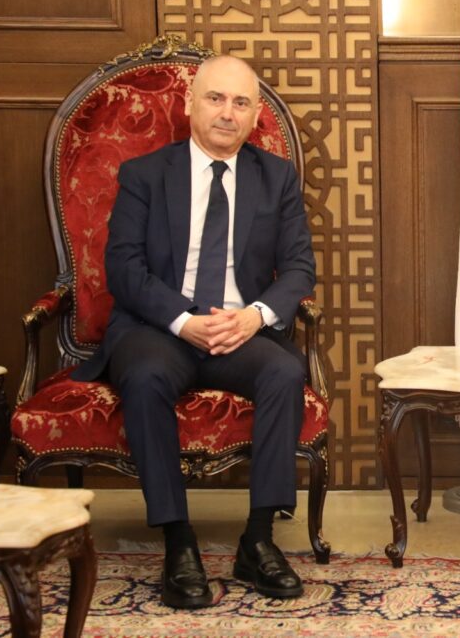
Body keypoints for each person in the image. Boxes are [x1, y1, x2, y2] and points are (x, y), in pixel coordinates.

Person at [73, 55, 316, 608]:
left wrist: (253, 316)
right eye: (215, 98)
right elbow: (124, 268)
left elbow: (300, 268)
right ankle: (178, 542)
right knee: (145, 376)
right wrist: (184, 320)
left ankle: (258, 540)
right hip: (159, 328)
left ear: (255, 115)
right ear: (190, 104)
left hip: (238, 329)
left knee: (285, 371)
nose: (227, 113)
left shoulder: (276, 177)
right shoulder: (145, 175)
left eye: (240, 102)